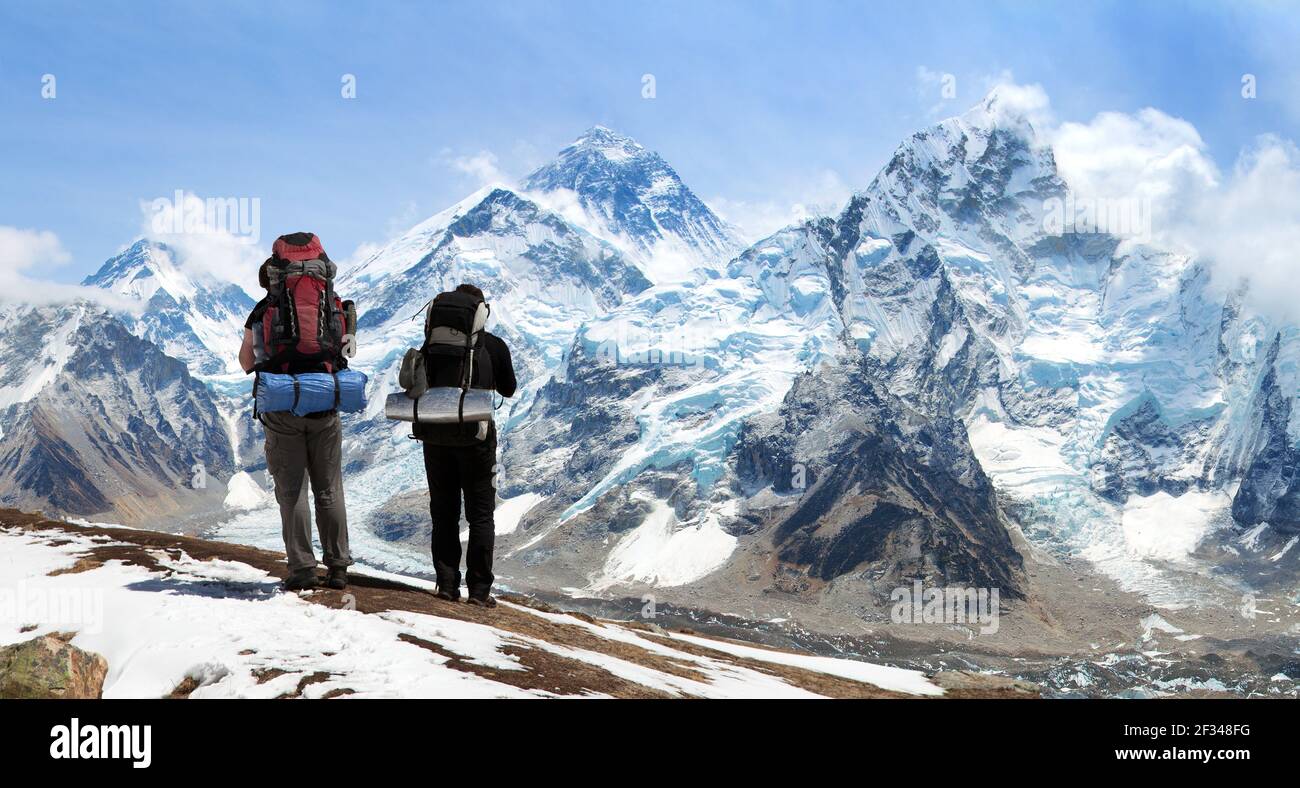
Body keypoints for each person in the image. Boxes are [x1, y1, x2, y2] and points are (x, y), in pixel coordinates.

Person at [239, 232, 353, 592]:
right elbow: (346, 351)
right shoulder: (334, 305)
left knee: (292, 491)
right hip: (324, 403)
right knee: (329, 488)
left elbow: (246, 361)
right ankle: (337, 568)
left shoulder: (263, 310)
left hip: (283, 407)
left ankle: (303, 569)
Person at [417, 283, 516, 607]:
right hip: (477, 438)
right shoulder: (494, 346)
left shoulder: (431, 345)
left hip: (435, 436)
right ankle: (479, 592)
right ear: (480, 313)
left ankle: (446, 585)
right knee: (481, 515)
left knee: (443, 512)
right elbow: (509, 389)